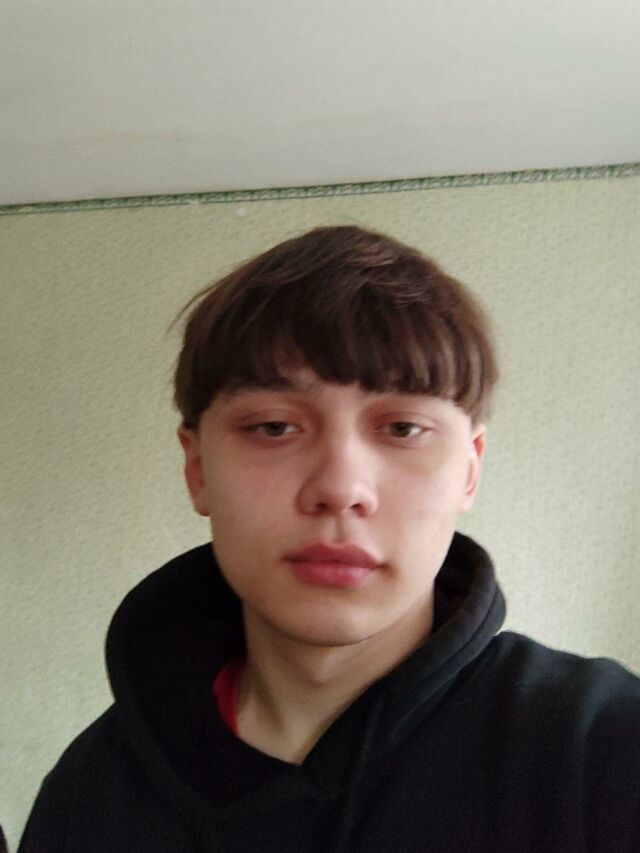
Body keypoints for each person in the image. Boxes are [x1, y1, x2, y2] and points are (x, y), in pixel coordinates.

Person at [19, 225, 640, 852]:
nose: (341, 488)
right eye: (272, 427)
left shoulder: (604, 747)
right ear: (198, 469)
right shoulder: (89, 795)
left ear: (469, 472)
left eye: (402, 428)